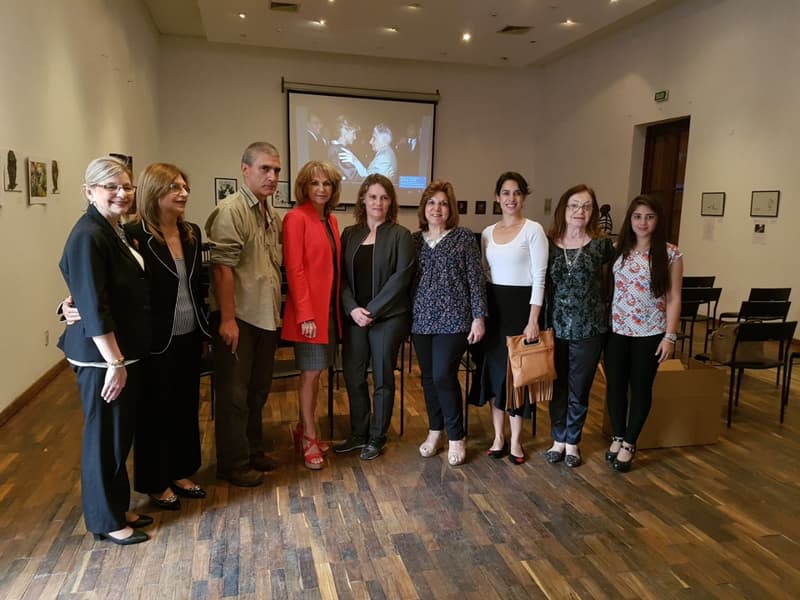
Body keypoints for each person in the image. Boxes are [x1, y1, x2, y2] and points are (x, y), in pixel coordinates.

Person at [62, 163, 213, 509]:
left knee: (185, 407)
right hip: (151, 338)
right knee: (155, 412)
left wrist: (205, 329)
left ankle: (181, 470)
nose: (183, 193)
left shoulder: (192, 232)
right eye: (173, 186)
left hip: (189, 333)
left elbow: (197, 285)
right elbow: (107, 285)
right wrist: (68, 304)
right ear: (154, 192)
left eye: (184, 185)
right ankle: (156, 481)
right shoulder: (131, 234)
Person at [57, 156, 151, 545]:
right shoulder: (87, 235)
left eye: (126, 185)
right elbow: (93, 304)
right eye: (111, 186)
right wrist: (113, 362)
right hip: (102, 358)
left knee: (118, 437)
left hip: (120, 352)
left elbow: (91, 291)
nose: (122, 193)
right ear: (89, 191)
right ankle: (105, 520)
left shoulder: (113, 229)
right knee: (103, 439)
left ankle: (116, 506)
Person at [205, 142, 283, 487]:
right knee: (234, 395)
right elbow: (222, 270)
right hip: (240, 318)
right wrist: (227, 319)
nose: (272, 176)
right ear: (245, 169)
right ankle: (232, 464)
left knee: (257, 390)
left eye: (277, 170)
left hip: (266, 316)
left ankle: (252, 450)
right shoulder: (232, 210)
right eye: (265, 169)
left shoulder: (270, 213)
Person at [335, 174, 414, 460]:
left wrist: (372, 310)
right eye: (372, 197)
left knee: (382, 376)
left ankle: (377, 435)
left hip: (389, 317)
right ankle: (359, 433)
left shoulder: (401, 235)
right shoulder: (350, 234)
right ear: (363, 200)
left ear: (391, 202)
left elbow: (401, 278)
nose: (377, 202)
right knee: (354, 375)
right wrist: (353, 308)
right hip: (355, 315)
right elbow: (340, 277)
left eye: (383, 197)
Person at [604, 195, 683, 472]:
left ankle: (629, 442)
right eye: (638, 216)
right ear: (630, 219)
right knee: (614, 386)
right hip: (617, 329)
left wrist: (669, 336)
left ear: (658, 220)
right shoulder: (618, 248)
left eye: (649, 216)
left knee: (640, 388)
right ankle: (617, 434)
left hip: (650, 332)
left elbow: (674, 298)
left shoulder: (671, 253)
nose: (643, 222)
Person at [411, 181, 486, 466]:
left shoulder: (463, 237)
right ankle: (435, 431)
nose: (437, 208)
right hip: (422, 320)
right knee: (428, 378)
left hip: (455, 319)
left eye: (443, 203)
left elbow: (476, 279)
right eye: (431, 203)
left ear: (450, 208)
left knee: (443, 375)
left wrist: (478, 317)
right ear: (424, 208)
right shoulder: (415, 240)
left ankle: (456, 435)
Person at [478, 171, 548, 465]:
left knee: (518, 380)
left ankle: (517, 441)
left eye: (516, 193)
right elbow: (483, 273)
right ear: (497, 197)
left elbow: (539, 277)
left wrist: (534, 319)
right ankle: (498, 437)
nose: (511, 198)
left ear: (524, 197)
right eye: (505, 193)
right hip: (494, 311)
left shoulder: (534, 230)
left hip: (522, 312)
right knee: (496, 378)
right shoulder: (486, 233)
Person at [544, 185, 614, 468]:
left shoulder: (602, 245)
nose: (580, 212)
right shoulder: (549, 243)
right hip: (556, 325)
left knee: (580, 387)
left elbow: (613, 283)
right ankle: (557, 438)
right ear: (564, 208)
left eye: (586, 206)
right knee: (557, 384)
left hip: (590, 326)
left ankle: (573, 441)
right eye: (574, 205)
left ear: (593, 211)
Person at [281, 161, 342, 470]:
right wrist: (305, 314)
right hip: (309, 315)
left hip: (329, 311)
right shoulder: (295, 218)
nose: (321, 189)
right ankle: (309, 438)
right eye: (315, 183)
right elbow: (294, 268)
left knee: (317, 374)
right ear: (304, 187)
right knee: (311, 374)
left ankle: (304, 428)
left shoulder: (329, 220)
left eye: (327, 184)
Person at [327, 116, 361, 182]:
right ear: (344, 131)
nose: (355, 137)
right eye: (353, 133)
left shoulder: (336, 148)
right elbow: (353, 176)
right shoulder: (339, 150)